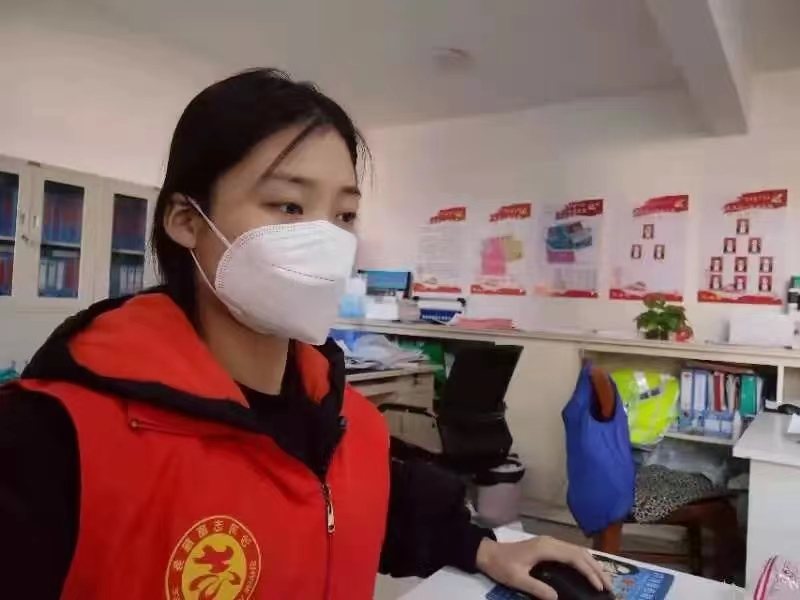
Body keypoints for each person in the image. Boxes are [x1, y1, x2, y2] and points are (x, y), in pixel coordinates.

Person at [0, 69, 609, 600]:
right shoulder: (48, 439)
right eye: (288, 207)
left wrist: (487, 548)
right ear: (187, 221)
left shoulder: (346, 423)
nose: (326, 240)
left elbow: (376, 506)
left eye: (344, 214)